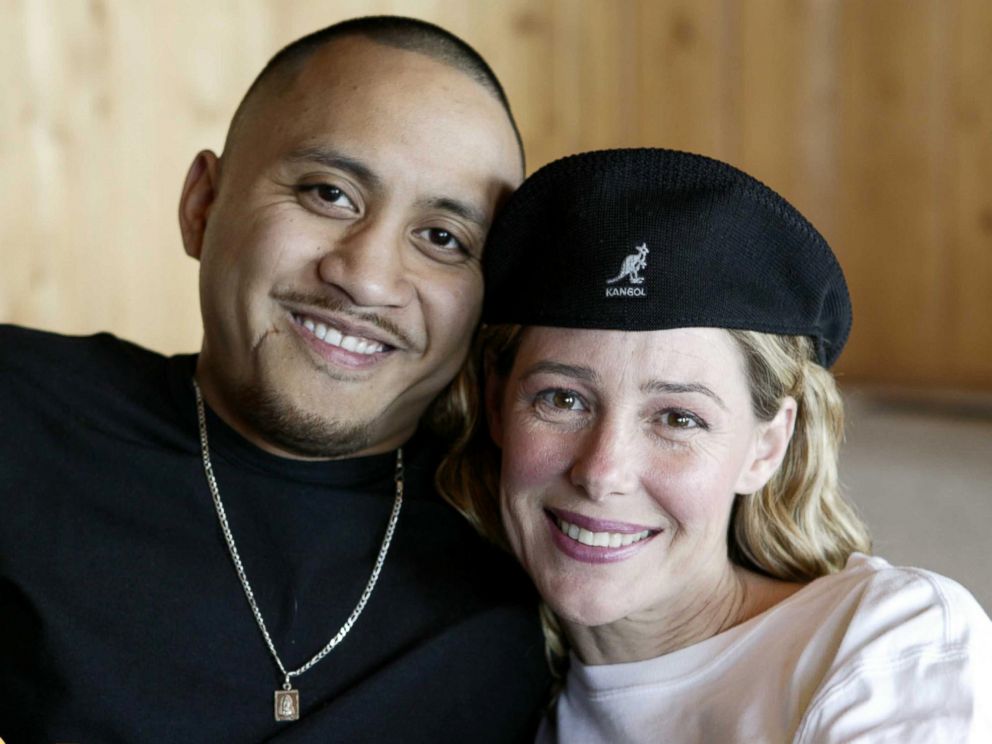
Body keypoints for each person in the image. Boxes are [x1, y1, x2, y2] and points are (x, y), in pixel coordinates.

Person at [0, 17, 551, 743]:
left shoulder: (545, 532)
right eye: (329, 194)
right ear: (203, 205)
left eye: (444, 239)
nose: (367, 277)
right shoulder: (19, 411)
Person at [439, 148, 992, 742]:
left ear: (767, 447)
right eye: (563, 399)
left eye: (677, 418)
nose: (602, 471)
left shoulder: (882, 647)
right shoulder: (490, 696)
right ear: (497, 405)